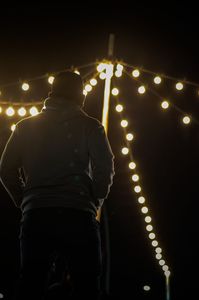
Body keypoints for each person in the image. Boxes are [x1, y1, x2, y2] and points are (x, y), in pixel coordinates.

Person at [0, 70, 115, 299]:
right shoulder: (91, 126)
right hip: (78, 214)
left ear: (51, 93)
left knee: (31, 282)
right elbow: (105, 168)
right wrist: (94, 199)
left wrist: (24, 200)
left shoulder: (25, 126)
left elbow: (5, 169)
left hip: (37, 214)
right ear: (81, 96)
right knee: (87, 285)